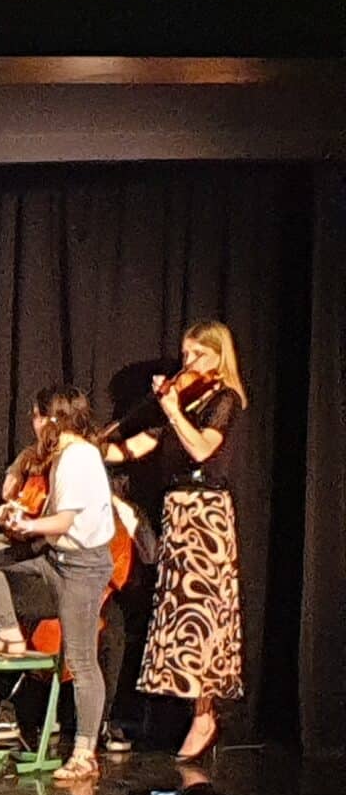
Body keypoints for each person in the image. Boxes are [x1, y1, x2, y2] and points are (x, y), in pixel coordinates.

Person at [0, 385, 117, 783]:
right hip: (51, 557)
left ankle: (84, 753)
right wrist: (15, 486)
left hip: (82, 567)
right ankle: (10, 633)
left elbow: (63, 522)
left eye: (35, 415)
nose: (32, 423)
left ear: (52, 419)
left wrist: (26, 524)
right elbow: (13, 487)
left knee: (80, 661)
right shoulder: (52, 453)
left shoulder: (79, 457)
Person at [105, 320, 248, 760]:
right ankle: (190, 713)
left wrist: (170, 410)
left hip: (206, 517)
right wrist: (91, 448)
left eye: (197, 356)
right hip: (178, 513)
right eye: (185, 356)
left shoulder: (225, 398)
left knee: (203, 615)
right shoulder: (190, 398)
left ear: (218, 355)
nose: (189, 365)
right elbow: (140, 445)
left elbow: (203, 448)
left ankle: (205, 715)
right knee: (178, 613)